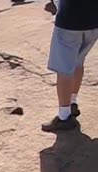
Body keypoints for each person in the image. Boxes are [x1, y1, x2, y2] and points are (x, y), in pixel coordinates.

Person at [42, 0, 98, 132]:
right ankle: (72, 102)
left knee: (64, 69)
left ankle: (64, 116)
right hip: (94, 20)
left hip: (69, 20)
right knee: (78, 62)